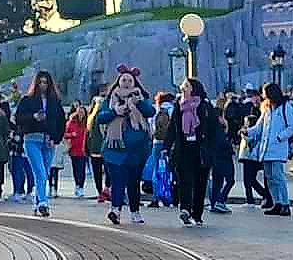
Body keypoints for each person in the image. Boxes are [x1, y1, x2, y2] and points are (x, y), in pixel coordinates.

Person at [96, 66, 155, 226]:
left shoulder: (141, 97)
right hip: (114, 149)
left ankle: (135, 211)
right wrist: (115, 111)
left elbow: (151, 112)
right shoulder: (110, 100)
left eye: (130, 80)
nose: (127, 83)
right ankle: (115, 210)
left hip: (137, 150)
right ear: (118, 82)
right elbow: (100, 118)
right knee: (118, 180)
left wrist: (139, 102)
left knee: (134, 182)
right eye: (124, 80)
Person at [167, 76, 220, 226]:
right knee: (184, 180)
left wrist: (212, 149)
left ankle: (197, 214)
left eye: (186, 86)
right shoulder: (178, 106)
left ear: (194, 89)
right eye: (183, 86)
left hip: (201, 149)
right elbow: (172, 128)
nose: (183, 89)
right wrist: (166, 146)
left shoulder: (204, 106)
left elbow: (214, 129)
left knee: (200, 182)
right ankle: (185, 209)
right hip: (183, 149)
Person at [15, 70, 66, 218]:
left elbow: (61, 122)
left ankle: (39, 203)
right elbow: (18, 118)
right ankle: (43, 202)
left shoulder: (55, 102)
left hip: (48, 141)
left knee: (45, 172)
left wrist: (55, 138)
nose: (43, 85)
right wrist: (33, 117)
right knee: (40, 172)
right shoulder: (27, 100)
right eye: (40, 82)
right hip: (32, 139)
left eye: (45, 82)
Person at [256, 82, 293, 216]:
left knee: (278, 176)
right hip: (266, 148)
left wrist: (280, 137)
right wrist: (248, 132)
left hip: (278, 148)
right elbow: (259, 126)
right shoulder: (267, 109)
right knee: (269, 178)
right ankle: (277, 202)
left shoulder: (286, 107)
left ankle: (285, 203)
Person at [207, 96, 237, 215]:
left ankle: (215, 202)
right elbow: (224, 145)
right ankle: (220, 200)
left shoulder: (213, 130)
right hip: (224, 158)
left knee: (217, 181)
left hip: (216, 158)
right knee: (230, 180)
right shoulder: (220, 131)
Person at [237, 99, 269, 207]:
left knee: (249, 180)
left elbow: (249, 141)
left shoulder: (251, 133)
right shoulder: (252, 132)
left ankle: (254, 198)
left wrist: (243, 134)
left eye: (246, 123)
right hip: (249, 157)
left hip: (250, 157)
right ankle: (257, 196)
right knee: (250, 180)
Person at [64, 103, 90, 198]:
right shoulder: (71, 122)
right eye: (79, 112)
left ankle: (81, 187)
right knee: (76, 169)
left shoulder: (87, 122)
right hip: (73, 149)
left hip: (83, 150)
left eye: (82, 112)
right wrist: (72, 134)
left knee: (82, 169)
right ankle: (77, 185)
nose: (81, 114)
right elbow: (65, 134)